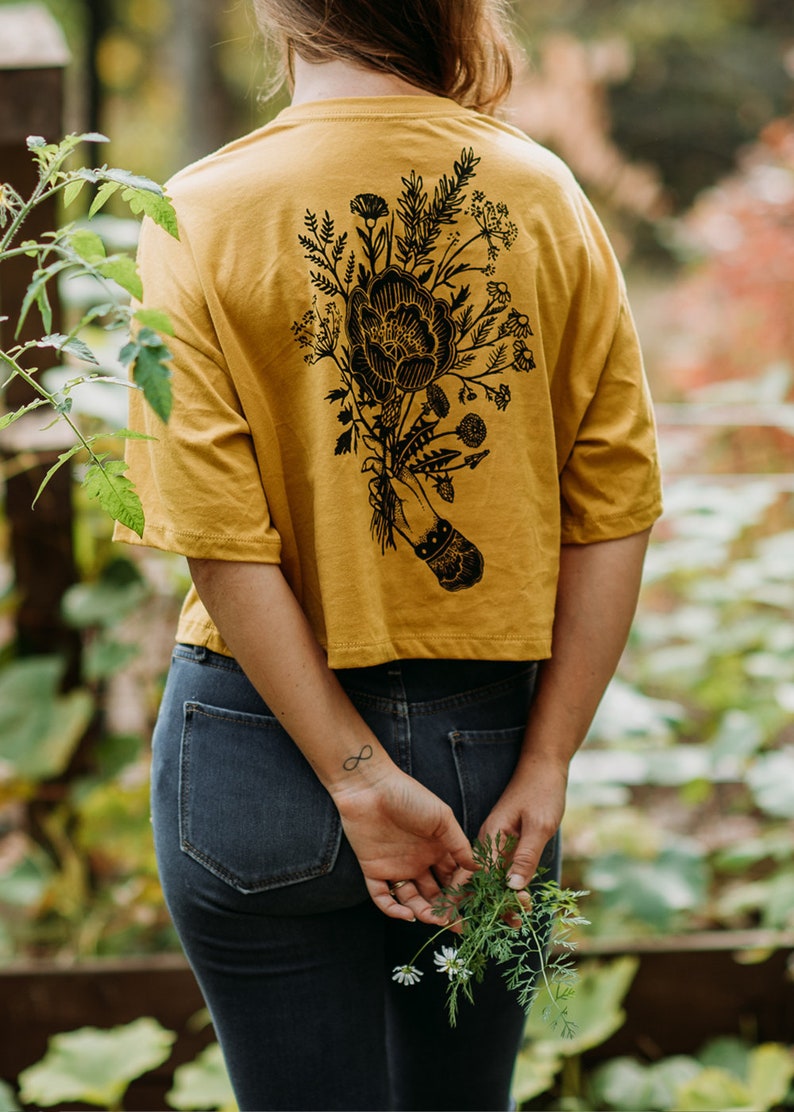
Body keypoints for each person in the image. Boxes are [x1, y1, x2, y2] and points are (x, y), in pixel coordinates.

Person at [114, 2, 663, 1108]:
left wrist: (355, 778)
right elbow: (613, 503)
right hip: (490, 752)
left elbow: (220, 539)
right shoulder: (540, 191)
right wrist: (547, 758)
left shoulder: (199, 209)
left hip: (254, 747)